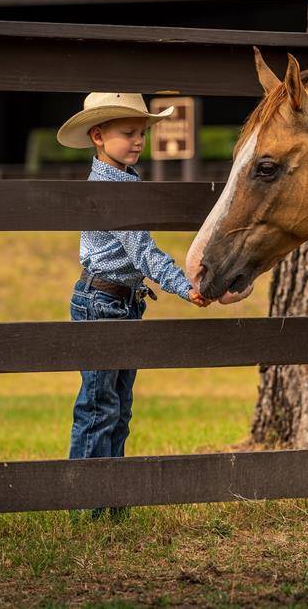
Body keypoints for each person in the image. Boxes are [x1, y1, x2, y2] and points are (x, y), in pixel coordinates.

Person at [56, 93, 209, 518]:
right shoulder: (111, 189)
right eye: (128, 133)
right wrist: (185, 286)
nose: (138, 141)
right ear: (98, 136)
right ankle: (86, 507)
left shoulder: (126, 181)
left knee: (119, 407)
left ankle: (112, 501)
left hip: (123, 302)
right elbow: (144, 254)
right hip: (101, 302)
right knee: (98, 405)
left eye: (141, 133)